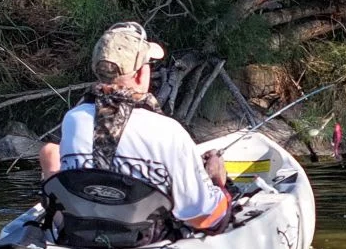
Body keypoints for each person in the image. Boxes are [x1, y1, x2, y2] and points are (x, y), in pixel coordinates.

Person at [39, 21, 232, 233]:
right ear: (140, 74)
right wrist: (217, 183)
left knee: (51, 153)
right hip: (142, 243)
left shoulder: (73, 119)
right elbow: (204, 218)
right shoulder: (167, 131)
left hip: (80, 235)